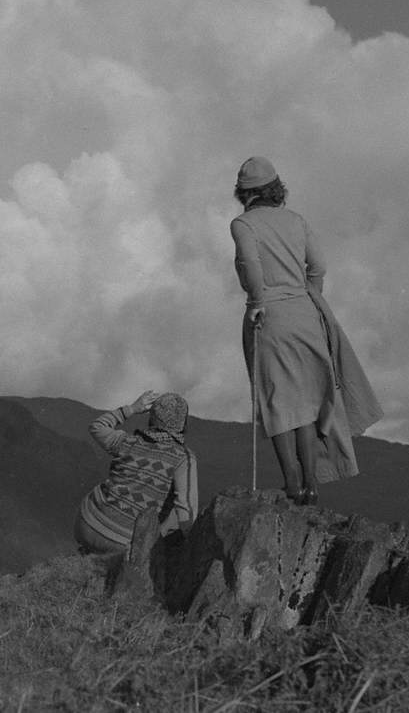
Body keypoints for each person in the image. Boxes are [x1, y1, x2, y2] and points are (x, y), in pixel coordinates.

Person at [230, 156, 384, 505]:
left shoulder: (243, 225)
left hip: (268, 316)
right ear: (276, 188)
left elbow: (251, 266)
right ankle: (312, 483)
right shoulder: (297, 221)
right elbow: (319, 265)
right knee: (310, 402)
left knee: (278, 402)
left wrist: (256, 302)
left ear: (243, 192)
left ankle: (292, 484)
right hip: (305, 313)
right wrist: (309, 293)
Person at [74, 390, 199, 555]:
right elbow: (186, 511)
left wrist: (132, 408)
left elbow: (97, 427)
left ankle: (91, 550)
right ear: (183, 425)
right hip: (124, 544)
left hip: (85, 524)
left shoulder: (127, 441)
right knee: (175, 514)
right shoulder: (183, 457)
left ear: (151, 417)